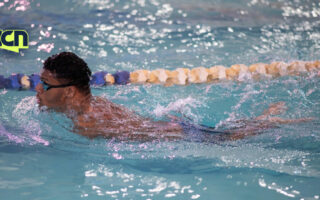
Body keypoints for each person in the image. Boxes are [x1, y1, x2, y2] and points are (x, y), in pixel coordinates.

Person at [36, 52, 313, 142]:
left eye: (45, 85)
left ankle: (280, 120)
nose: (38, 90)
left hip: (178, 134)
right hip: (172, 125)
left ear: (70, 91)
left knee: (228, 137)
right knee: (229, 132)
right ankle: (269, 117)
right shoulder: (92, 105)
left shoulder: (85, 125)